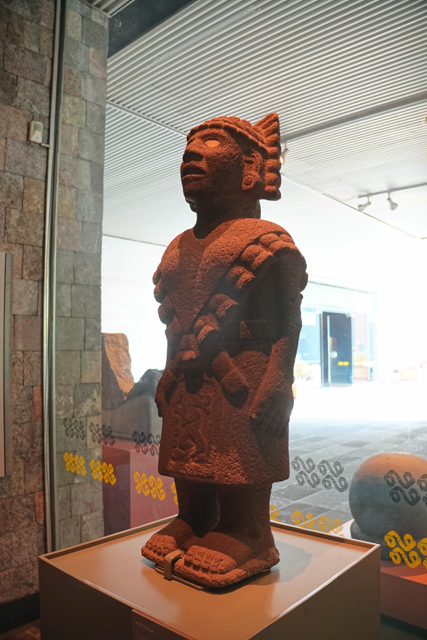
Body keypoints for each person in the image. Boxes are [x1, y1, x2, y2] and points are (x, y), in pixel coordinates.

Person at [141, 113, 307, 587]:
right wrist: (168, 373)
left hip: (246, 368)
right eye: (188, 147)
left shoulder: (267, 239)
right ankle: (194, 519)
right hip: (187, 370)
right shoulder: (178, 245)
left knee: (240, 448)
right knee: (189, 450)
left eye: (211, 143)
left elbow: (289, 320)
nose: (191, 154)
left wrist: (279, 379)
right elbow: (174, 323)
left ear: (250, 166)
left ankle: (249, 532)